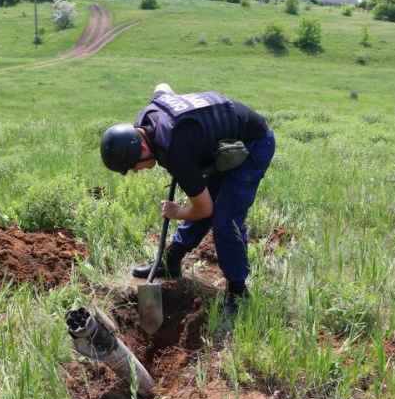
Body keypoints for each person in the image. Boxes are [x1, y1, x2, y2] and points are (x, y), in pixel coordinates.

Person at [100, 83, 275, 314]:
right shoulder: (148, 117)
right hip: (219, 145)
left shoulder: (177, 153)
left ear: (142, 148)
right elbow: (162, 86)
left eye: (133, 166)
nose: (135, 171)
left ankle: (238, 290)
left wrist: (177, 212)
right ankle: (171, 262)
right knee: (204, 196)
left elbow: (203, 209)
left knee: (224, 217)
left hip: (253, 144)